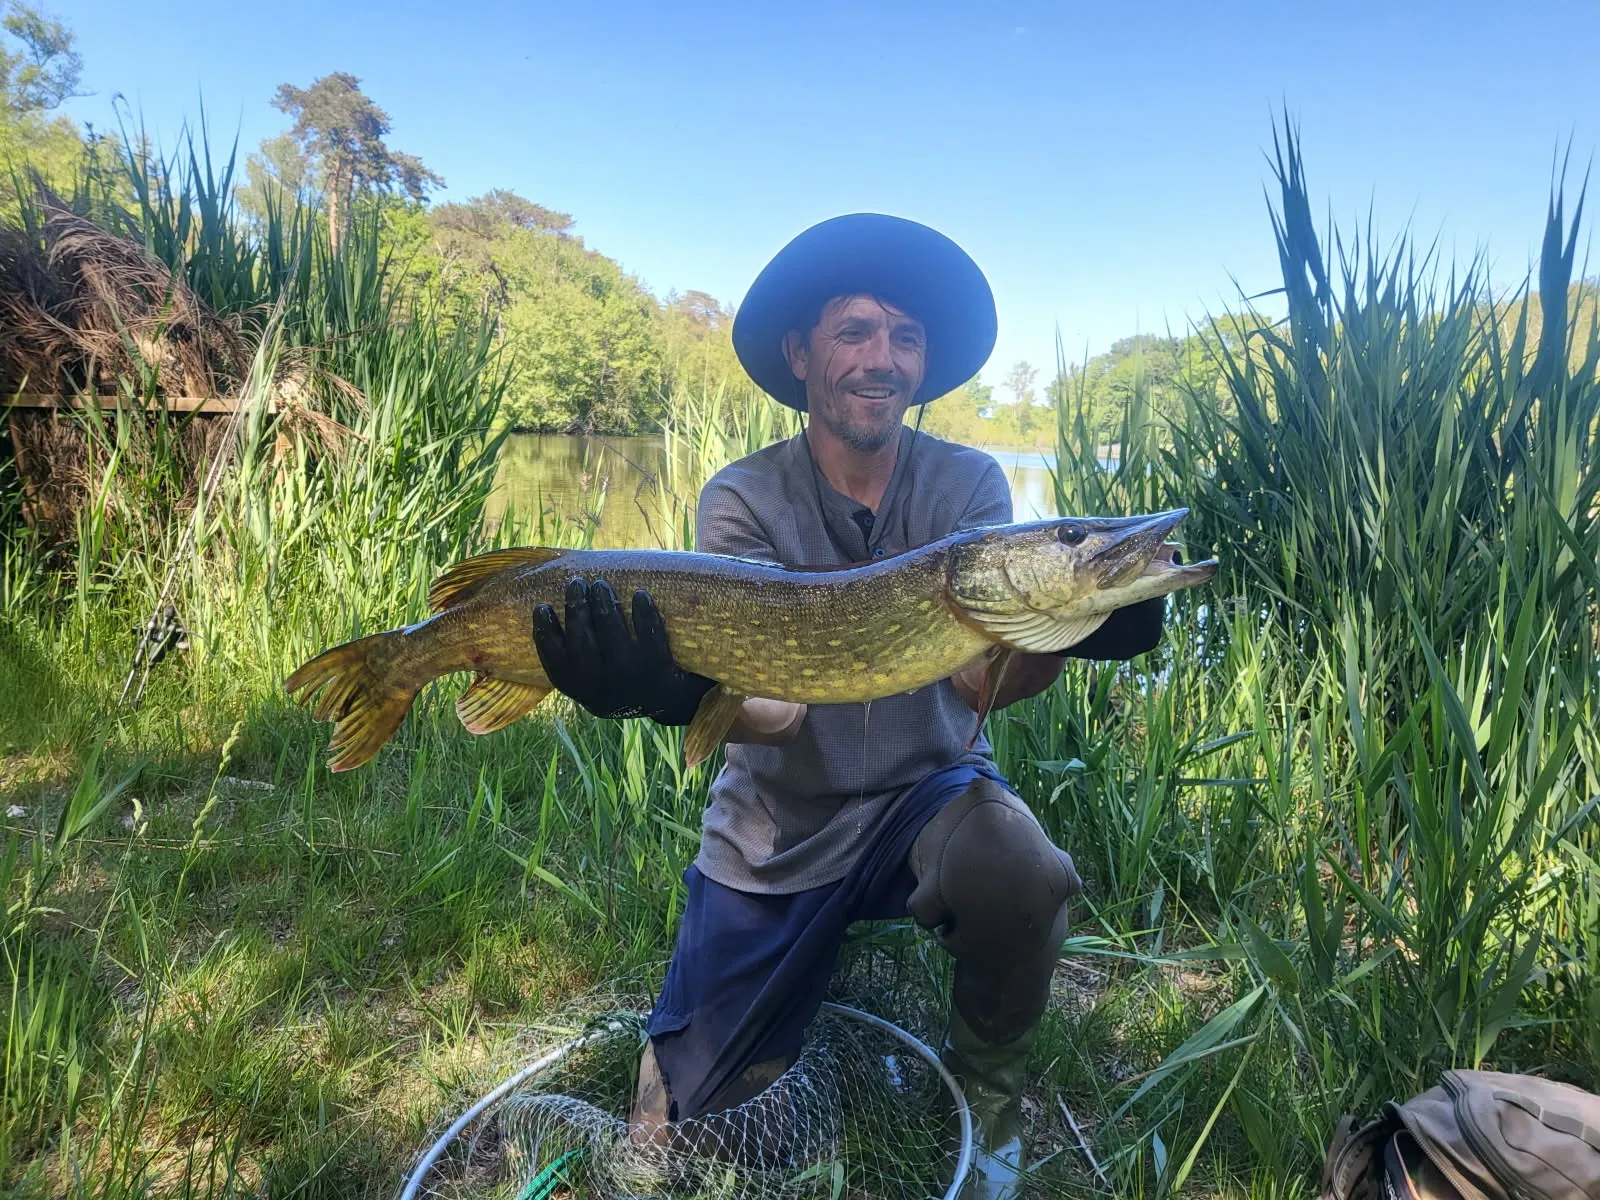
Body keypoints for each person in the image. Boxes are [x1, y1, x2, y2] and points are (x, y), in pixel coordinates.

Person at [530, 213, 1166, 1199]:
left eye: (905, 337)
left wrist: (1066, 631)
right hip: (778, 826)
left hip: (930, 799)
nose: (883, 358)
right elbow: (778, 714)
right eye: (855, 331)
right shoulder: (741, 494)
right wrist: (664, 691)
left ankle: (989, 1090)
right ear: (802, 354)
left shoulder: (969, 484)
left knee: (1023, 871)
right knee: (683, 1131)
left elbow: (974, 684)